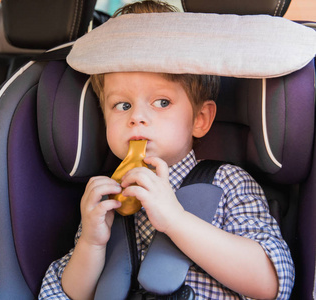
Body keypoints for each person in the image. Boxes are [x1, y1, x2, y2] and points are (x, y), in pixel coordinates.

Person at [39, 1, 294, 299]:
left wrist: (176, 220)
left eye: (162, 102)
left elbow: (272, 282)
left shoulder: (227, 182)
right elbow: (68, 294)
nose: (137, 117)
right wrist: (91, 244)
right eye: (122, 105)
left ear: (200, 119)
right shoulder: (106, 198)